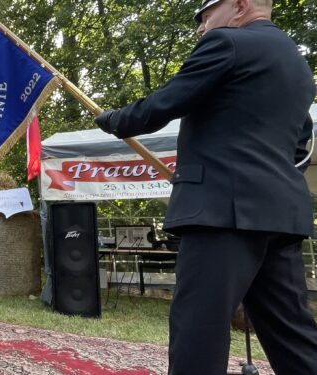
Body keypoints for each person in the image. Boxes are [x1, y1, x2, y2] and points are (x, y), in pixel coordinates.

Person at [93, 1, 317, 373]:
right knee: (292, 333)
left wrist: (113, 120)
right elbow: (299, 144)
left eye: (206, 16)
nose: (200, 28)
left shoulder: (228, 43)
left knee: (198, 329)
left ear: (240, 6)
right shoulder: (298, 65)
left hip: (222, 214)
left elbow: (164, 103)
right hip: (280, 216)